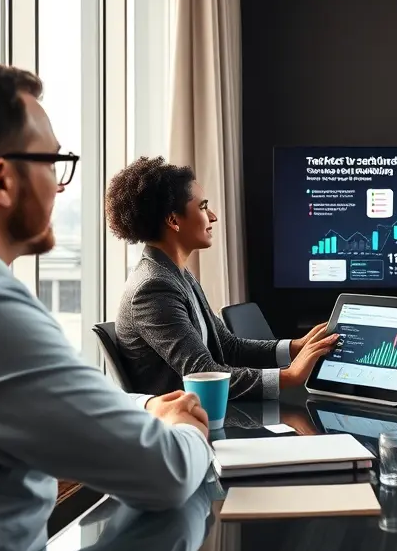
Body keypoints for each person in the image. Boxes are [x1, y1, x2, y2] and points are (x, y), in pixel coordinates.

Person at [0, 58, 215, 551]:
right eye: (53, 162)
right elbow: (165, 473)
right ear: (1, 180)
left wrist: (147, 405)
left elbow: (38, 399)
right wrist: (185, 427)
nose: (61, 183)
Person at [106, 156, 336, 400]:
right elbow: (203, 373)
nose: (213, 217)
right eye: (203, 207)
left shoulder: (177, 274)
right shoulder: (153, 288)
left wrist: (295, 347)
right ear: (173, 220)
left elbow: (228, 347)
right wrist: (289, 376)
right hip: (185, 418)